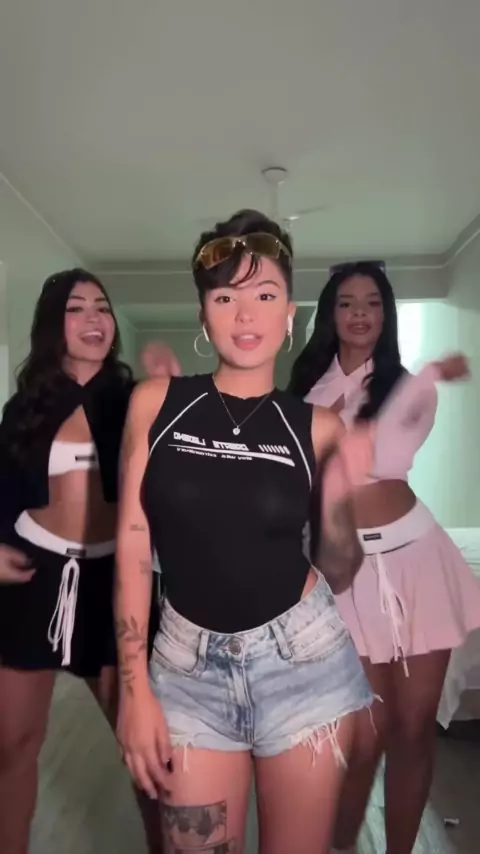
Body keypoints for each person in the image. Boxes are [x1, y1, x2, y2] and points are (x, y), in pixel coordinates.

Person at [114, 210, 378, 854]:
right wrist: (133, 689)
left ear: (289, 313)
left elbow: (341, 568)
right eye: (225, 298)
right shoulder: (155, 403)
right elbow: (132, 541)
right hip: (186, 672)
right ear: (204, 315)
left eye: (264, 295)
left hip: (303, 666)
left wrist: (345, 493)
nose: (245, 315)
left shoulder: (318, 427)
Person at [288, 261, 480, 854]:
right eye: (347, 302)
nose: (360, 313)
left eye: (372, 303)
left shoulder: (407, 387)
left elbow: (386, 452)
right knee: (363, 739)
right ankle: (341, 845)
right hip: (344, 572)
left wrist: (428, 376)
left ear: (386, 314)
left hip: (417, 561)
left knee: (414, 729)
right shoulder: (302, 391)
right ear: (331, 313)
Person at [0, 269, 164, 854]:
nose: (94, 319)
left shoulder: (136, 398)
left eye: (102, 307)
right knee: (12, 745)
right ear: (54, 323)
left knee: (142, 745)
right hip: (31, 580)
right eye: (77, 308)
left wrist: (171, 394)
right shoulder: (25, 407)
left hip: (111, 583)